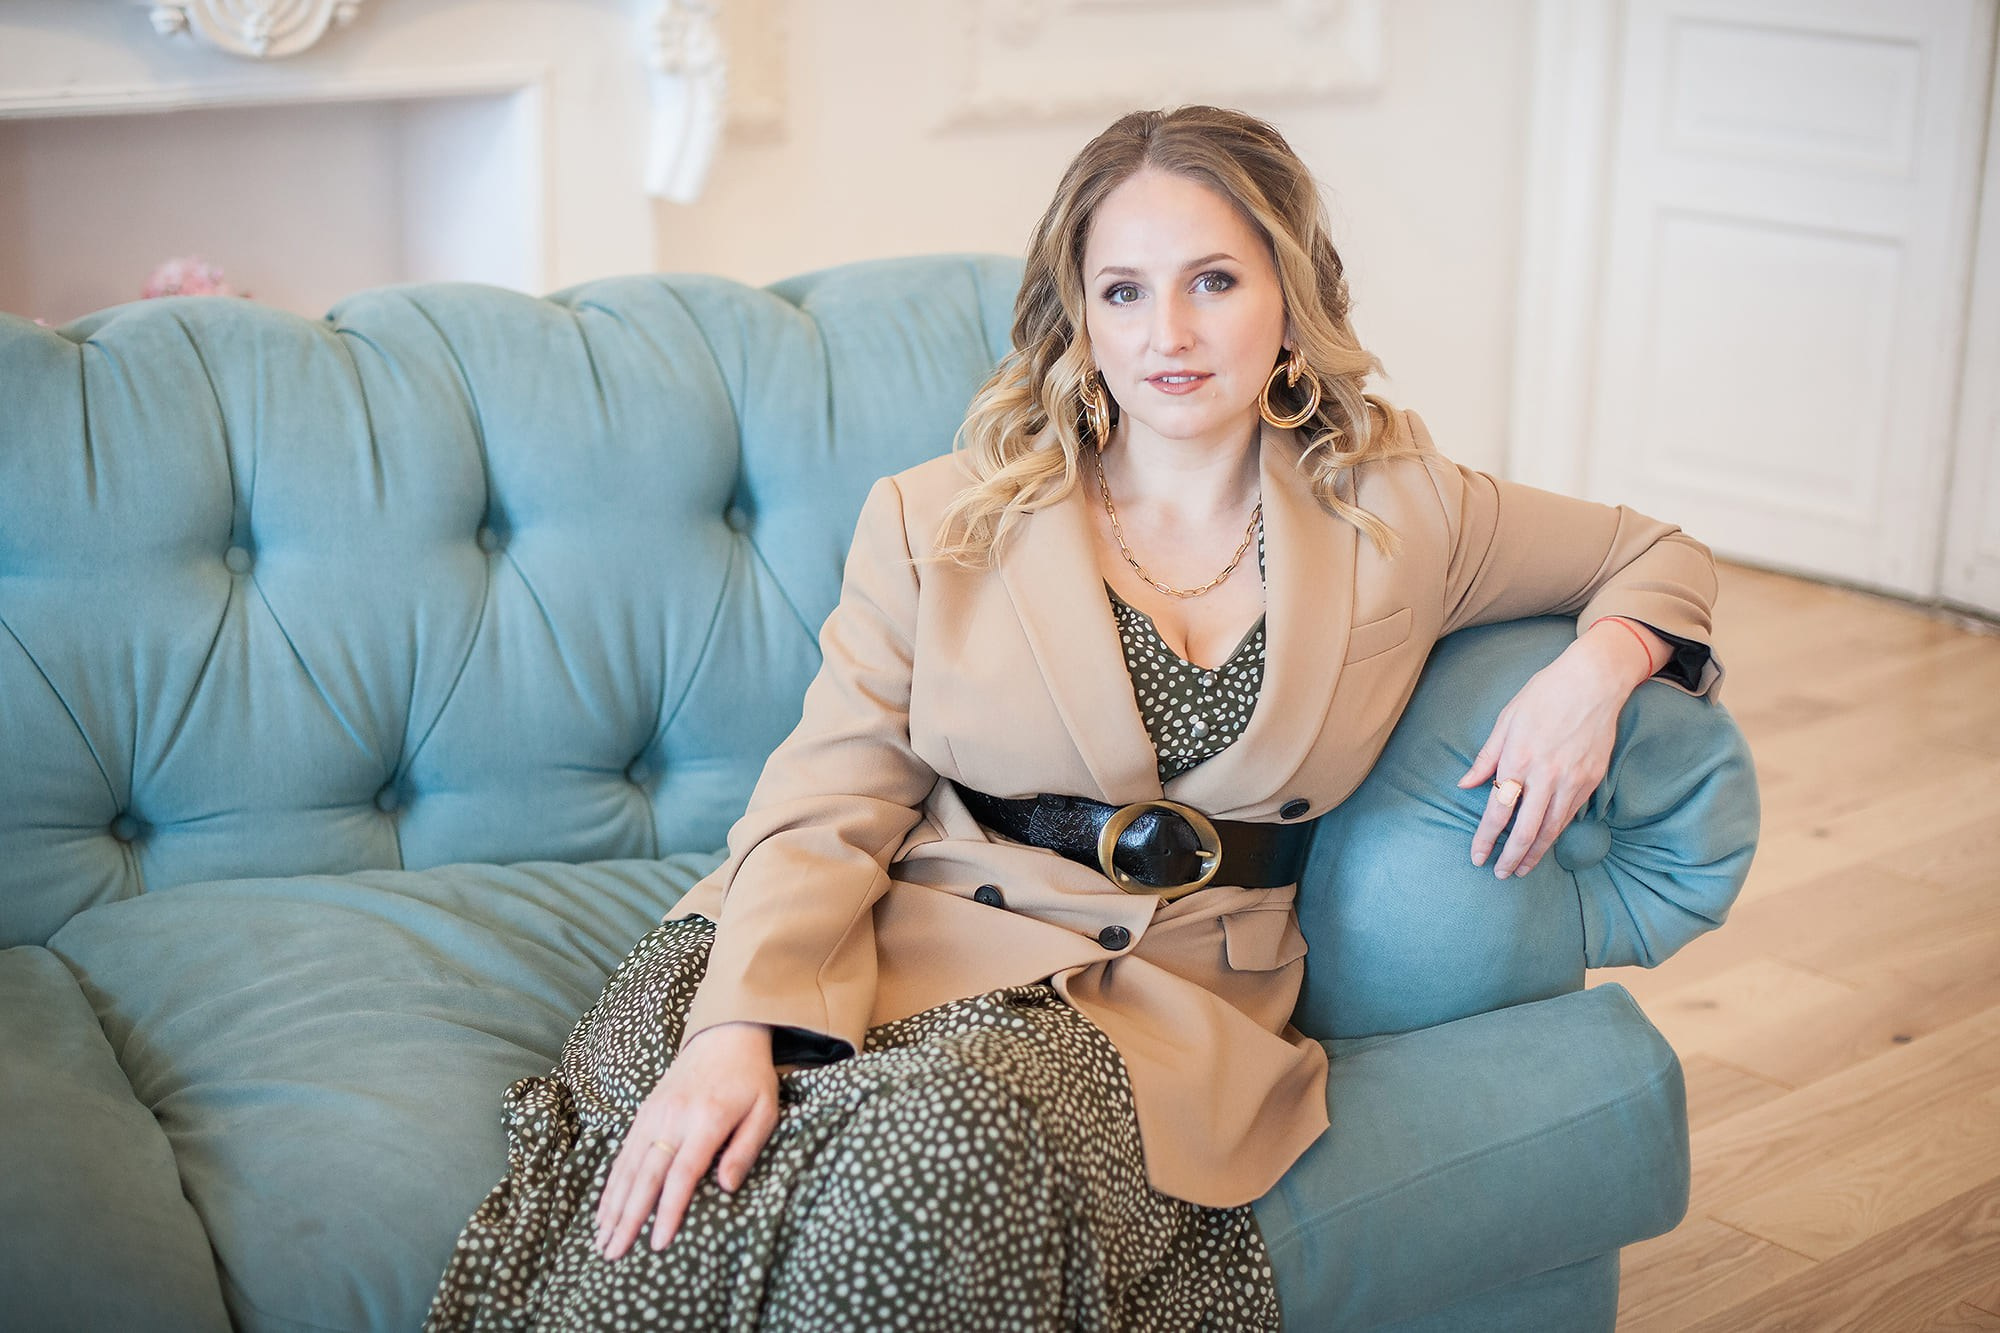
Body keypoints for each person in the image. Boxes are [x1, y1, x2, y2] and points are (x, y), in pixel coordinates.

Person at [426, 104, 1721, 1331]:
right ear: (1080, 318)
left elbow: (1657, 551)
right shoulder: (941, 519)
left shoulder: (1400, 509)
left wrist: (1596, 670)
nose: (1171, 329)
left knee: (940, 1156)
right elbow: (830, 796)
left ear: (1290, 297)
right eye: (1125, 289)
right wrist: (733, 1026)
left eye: (1214, 279)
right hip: (867, 937)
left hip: (1152, 1002)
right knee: (692, 1206)